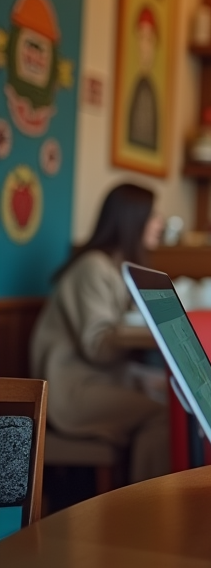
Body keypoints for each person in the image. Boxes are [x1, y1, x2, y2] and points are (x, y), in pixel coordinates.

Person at [30, 183, 169, 483]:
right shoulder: (93, 268)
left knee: (173, 398)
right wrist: (145, 327)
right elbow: (97, 347)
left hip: (98, 380)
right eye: (153, 215)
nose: (160, 222)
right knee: (165, 415)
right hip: (72, 393)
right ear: (131, 220)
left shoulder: (115, 268)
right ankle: (148, 507)